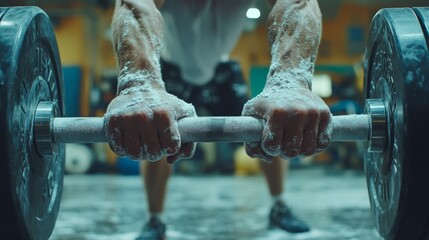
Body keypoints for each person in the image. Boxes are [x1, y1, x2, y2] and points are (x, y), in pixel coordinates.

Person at [106, 0, 331, 239]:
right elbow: (136, 4)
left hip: (221, 68)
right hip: (170, 68)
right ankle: (155, 219)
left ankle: (279, 207)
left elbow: (297, 3)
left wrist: (291, 83)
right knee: (154, 125)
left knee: (271, 123)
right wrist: (139, 82)